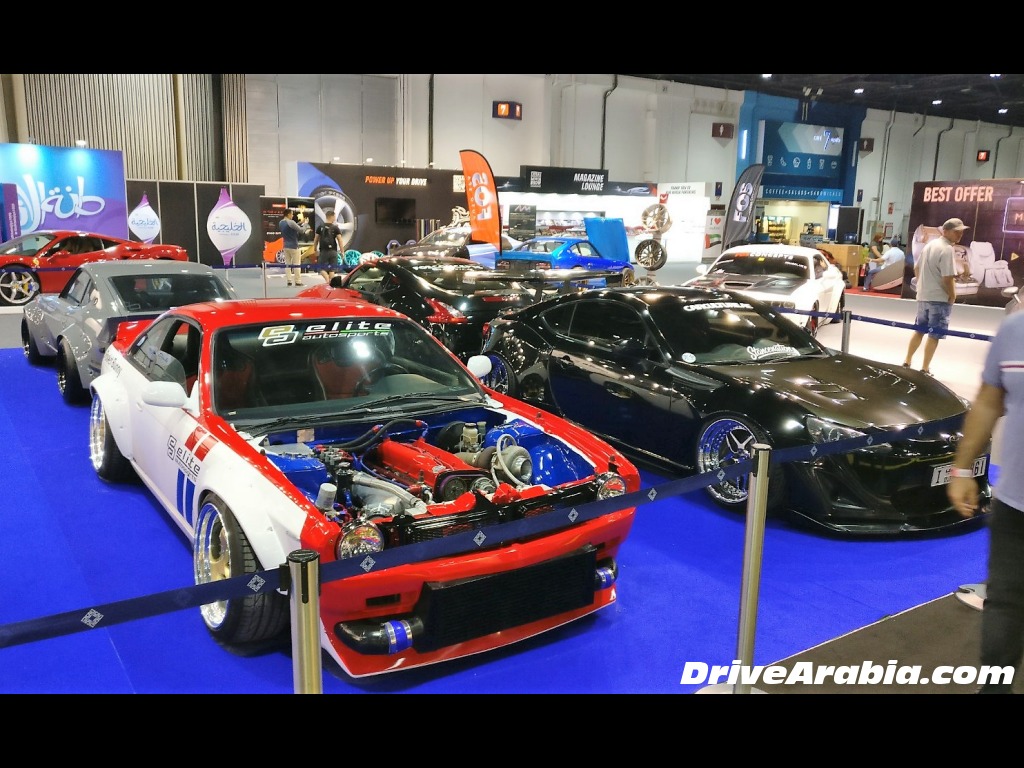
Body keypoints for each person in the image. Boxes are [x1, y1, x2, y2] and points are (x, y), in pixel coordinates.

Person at [947, 306, 1024, 692]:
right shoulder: (1015, 330)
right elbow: (989, 401)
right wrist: (962, 469)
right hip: (1015, 506)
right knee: (1005, 607)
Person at [902, 218, 966, 374]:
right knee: (934, 334)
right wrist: (952, 295)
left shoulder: (929, 245)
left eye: (961, 232)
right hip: (939, 299)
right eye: (956, 232)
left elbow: (917, 268)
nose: (960, 234)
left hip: (923, 296)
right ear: (946, 231)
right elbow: (947, 277)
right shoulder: (947, 249)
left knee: (919, 330)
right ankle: (925, 368)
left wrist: (922, 285)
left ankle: (907, 361)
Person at [278, 208, 310, 286]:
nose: (292, 216)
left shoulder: (281, 222)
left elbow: (291, 227)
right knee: (296, 264)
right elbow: (301, 230)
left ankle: (289, 280)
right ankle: (298, 281)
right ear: (288, 214)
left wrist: (300, 223)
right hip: (294, 246)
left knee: (287, 264)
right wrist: (305, 223)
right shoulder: (291, 222)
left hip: (285, 246)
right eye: (292, 214)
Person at [312, 209, 344, 282]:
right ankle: (330, 282)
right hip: (333, 251)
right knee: (332, 269)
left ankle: (327, 280)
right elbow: (340, 240)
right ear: (332, 217)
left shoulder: (320, 227)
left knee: (321, 268)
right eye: (334, 217)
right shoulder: (335, 228)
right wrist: (342, 251)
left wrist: (315, 249)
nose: (335, 218)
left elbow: (316, 239)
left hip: (323, 251)